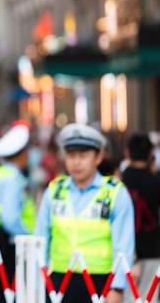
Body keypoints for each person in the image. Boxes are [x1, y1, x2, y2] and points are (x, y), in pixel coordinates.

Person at [36, 123, 135, 303]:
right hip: (58, 279)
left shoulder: (114, 193)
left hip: (101, 280)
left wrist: (117, 287)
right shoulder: (55, 191)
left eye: (83, 156)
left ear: (98, 157)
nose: (76, 162)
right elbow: (41, 236)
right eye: (71, 155)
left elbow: (124, 244)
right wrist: (39, 278)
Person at [0, 122, 34, 303]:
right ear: (22, 154)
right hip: (12, 242)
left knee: (1, 290)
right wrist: (28, 236)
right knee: (9, 292)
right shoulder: (12, 179)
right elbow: (10, 217)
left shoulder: (1, 173)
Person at [122, 133, 160, 303]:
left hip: (126, 249)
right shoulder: (155, 181)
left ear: (127, 153)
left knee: (128, 297)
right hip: (153, 246)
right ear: (150, 153)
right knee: (149, 297)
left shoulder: (120, 181)